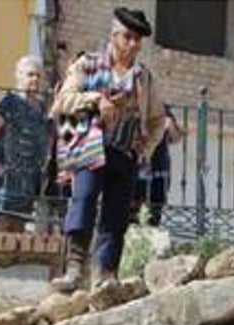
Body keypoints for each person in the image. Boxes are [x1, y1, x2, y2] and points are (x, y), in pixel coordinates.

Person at [50, 7, 166, 292]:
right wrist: (94, 101)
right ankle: (75, 271)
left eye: (138, 39)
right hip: (88, 146)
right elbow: (61, 103)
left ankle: (105, 275)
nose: (134, 44)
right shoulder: (87, 65)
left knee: (116, 216)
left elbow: (158, 120)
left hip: (124, 152)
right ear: (114, 36)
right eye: (128, 36)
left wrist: (145, 150)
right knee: (84, 200)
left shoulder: (144, 78)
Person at [0, 56, 52, 233]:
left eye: (38, 75)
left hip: (26, 184)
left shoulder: (41, 107)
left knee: (17, 238)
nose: (35, 79)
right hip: (4, 182)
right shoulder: (9, 102)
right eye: (30, 74)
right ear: (19, 76)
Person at [132, 105, 181, 227]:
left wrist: (170, 125)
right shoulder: (130, 102)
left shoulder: (161, 106)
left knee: (154, 213)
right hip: (134, 168)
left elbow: (176, 138)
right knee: (131, 213)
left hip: (158, 169)